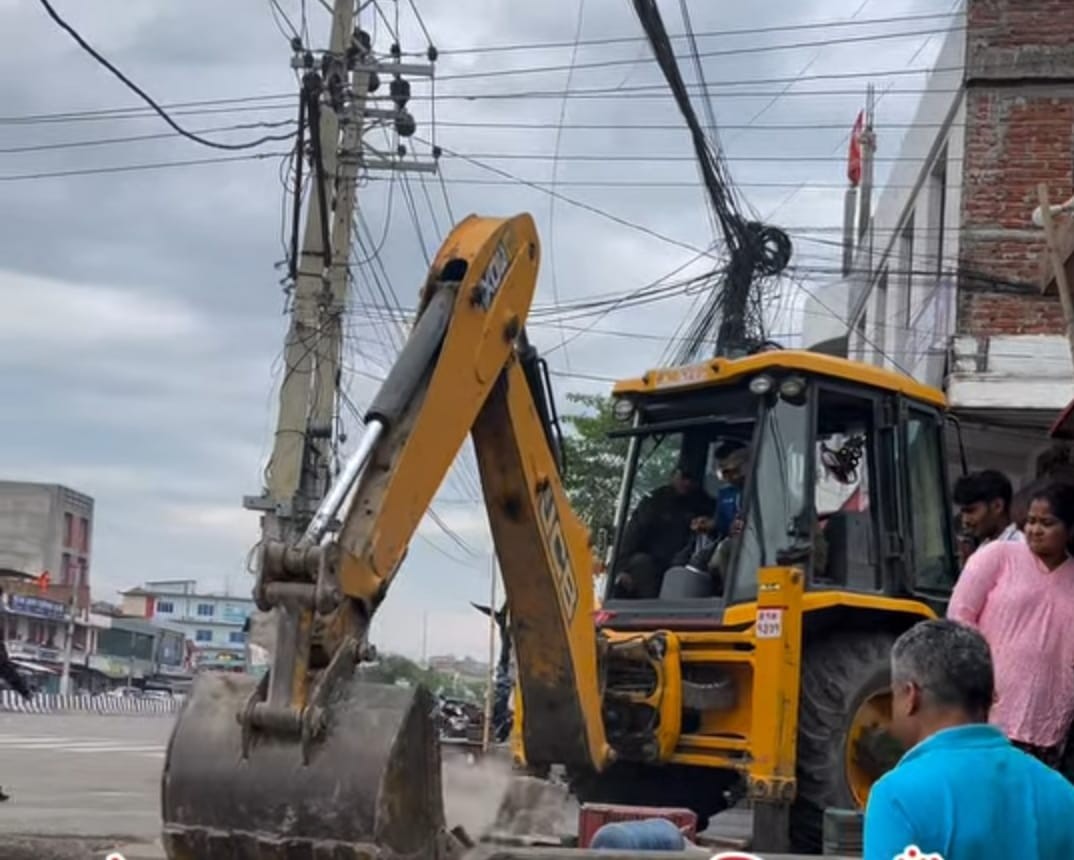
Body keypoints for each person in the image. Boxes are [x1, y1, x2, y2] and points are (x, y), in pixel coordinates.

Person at [864, 619, 1074, 860]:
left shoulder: (896, 797)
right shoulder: (1061, 793)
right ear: (991, 698)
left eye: (894, 693)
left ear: (911, 696)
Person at [947, 481, 1074, 766]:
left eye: (1047, 523)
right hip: (988, 712)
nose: (1034, 530)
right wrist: (977, 677)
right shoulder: (998, 556)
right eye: (1030, 521)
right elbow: (959, 617)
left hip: (1048, 726)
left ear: (1069, 529)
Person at [612, 458, 714, 599]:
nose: (687, 483)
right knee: (641, 562)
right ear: (673, 475)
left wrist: (710, 525)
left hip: (688, 565)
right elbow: (632, 536)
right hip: (654, 564)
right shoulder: (654, 502)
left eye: (692, 480)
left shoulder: (704, 503)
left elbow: (721, 526)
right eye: (684, 477)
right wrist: (620, 570)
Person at [951, 469, 1023, 553]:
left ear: (997, 506)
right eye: (963, 513)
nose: (965, 520)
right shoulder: (983, 548)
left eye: (971, 511)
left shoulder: (1019, 548)